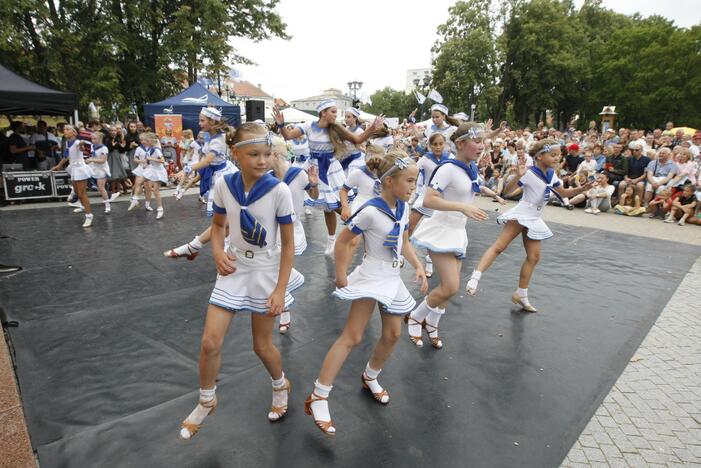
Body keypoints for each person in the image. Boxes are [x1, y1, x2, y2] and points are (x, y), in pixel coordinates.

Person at [178, 123, 298, 440]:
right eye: (254, 154)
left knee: (261, 345)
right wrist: (217, 252)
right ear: (236, 153)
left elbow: (288, 244)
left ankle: (280, 384)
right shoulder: (223, 184)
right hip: (233, 270)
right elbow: (219, 225)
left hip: (266, 271)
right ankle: (206, 400)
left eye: (267, 154)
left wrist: (280, 289)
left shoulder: (279, 191)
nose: (262, 160)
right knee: (209, 342)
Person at [304, 150, 428, 436]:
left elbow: (404, 241)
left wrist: (419, 265)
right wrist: (341, 274)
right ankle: (319, 395)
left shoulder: (404, 208)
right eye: (409, 180)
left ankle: (370, 376)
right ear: (388, 181)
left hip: (393, 278)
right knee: (353, 336)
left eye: (415, 181)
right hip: (372, 275)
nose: (413, 186)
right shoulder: (371, 211)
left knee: (394, 334)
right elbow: (344, 241)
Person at [465, 139, 592, 312]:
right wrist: (519, 175)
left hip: (534, 218)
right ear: (540, 156)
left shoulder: (551, 174)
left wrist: (582, 189)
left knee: (534, 257)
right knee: (499, 247)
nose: (557, 158)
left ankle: (521, 294)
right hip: (522, 214)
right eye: (553, 155)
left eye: (559, 155)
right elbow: (508, 192)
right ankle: (475, 277)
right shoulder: (530, 173)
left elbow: (562, 192)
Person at [407, 123, 498, 348]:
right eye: (477, 141)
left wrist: (494, 193)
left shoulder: (471, 167)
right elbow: (429, 199)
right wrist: (462, 207)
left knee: (449, 290)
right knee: (450, 287)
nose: (482, 146)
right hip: (441, 231)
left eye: (483, 142)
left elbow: (472, 189)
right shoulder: (447, 168)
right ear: (460, 144)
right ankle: (415, 317)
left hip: (458, 231)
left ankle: (432, 324)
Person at [273, 101, 384, 256]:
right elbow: (287, 135)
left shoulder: (337, 129)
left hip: (331, 169)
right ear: (323, 112)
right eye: (333, 111)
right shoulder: (309, 126)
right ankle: (331, 240)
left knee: (334, 206)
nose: (336, 115)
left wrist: (372, 128)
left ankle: (358, 224)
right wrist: (281, 124)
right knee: (327, 208)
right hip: (314, 168)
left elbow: (358, 140)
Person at [269, 136, 319, 333]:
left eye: (266, 154)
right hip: (271, 230)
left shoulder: (298, 174)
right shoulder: (267, 177)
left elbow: (314, 197)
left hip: (291, 229)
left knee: (281, 268)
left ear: (274, 154)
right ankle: (284, 304)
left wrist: (314, 184)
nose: (262, 160)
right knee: (278, 268)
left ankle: (283, 306)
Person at [51, 125, 95, 228]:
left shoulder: (77, 143)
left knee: (82, 193)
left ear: (74, 133)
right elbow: (66, 156)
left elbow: (82, 147)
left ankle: (89, 216)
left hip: (80, 169)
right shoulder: (67, 143)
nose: (64, 131)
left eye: (67, 129)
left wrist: (82, 145)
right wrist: (59, 165)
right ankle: (78, 202)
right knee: (78, 193)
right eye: (64, 129)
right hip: (74, 168)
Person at [142, 132, 167, 219]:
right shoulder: (149, 149)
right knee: (141, 182)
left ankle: (160, 210)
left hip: (159, 171)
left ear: (152, 141)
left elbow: (162, 160)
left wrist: (150, 159)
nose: (146, 142)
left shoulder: (156, 149)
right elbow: (149, 159)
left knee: (156, 191)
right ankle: (135, 198)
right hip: (153, 169)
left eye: (147, 140)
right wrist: (147, 163)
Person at [85, 131, 112, 214]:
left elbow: (103, 160)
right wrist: (88, 160)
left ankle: (107, 205)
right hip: (93, 167)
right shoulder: (92, 146)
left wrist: (91, 160)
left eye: (94, 139)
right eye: (92, 138)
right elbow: (93, 156)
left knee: (101, 188)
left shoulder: (104, 148)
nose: (92, 140)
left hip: (101, 169)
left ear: (100, 139)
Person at [127, 137, 153, 211]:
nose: (143, 141)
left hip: (149, 169)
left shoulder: (152, 148)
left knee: (148, 187)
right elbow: (135, 159)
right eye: (142, 140)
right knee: (137, 184)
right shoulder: (139, 148)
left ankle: (147, 205)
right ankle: (134, 199)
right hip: (141, 168)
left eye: (145, 140)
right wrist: (142, 161)